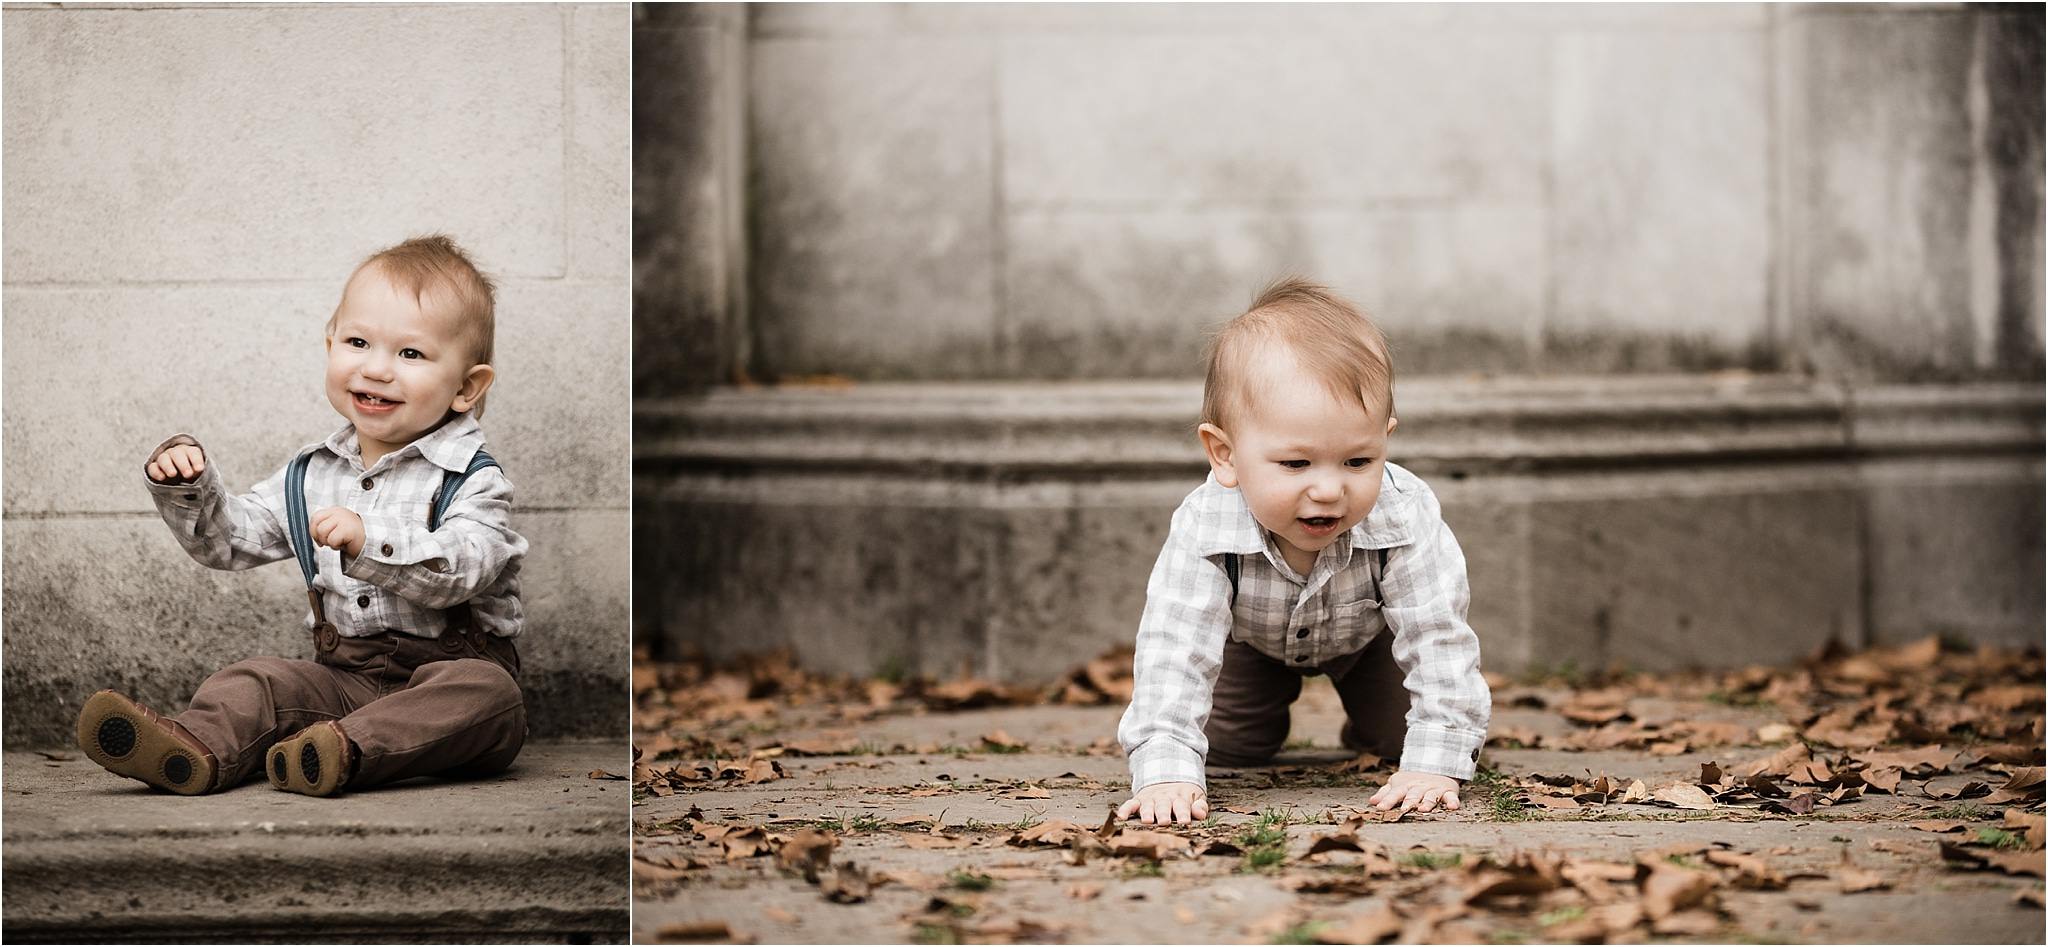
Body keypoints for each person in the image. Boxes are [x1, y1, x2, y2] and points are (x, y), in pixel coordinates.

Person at [77, 234, 528, 797]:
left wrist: (370, 542)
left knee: (489, 696)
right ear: (330, 343)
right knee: (256, 680)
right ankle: (194, 750)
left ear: (466, 386)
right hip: (345, 683)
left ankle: (343, 750)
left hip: (442, 680)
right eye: (359, 342)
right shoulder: (308, 476)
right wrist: (188, 487)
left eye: (410, 353)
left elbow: (469, 565)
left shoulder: (473, 478)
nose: (378, 368)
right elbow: (230, 542)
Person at [1116, 277, 1490, 824]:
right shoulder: (1205, 526)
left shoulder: (1404, 512)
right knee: (1233, 747)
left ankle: (1367, 721)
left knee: (1396, 738)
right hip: (1249, 644)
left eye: (1358, 461)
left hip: (1370, 642)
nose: (1328, 489)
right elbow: (1174, 648)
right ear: (1224, 454)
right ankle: (1244, 724)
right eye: (1295, 464)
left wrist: (1436, 761)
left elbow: (1438, 635)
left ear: (1386, 439)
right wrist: (1166, 770)